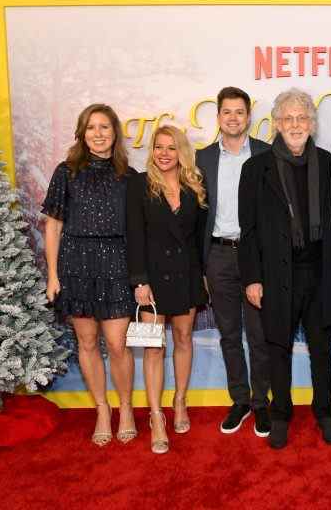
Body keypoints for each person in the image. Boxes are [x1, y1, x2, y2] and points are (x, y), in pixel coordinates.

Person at [238, 88, 331, 449]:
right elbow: (247, 229)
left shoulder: (328, 163)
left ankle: (325, 412)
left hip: (320, 270)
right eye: (288, 119)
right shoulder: (255, 168)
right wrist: (251, 277)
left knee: (322, 348)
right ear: (276, 124)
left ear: (311, 124)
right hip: (275, 275)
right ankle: (280, 413)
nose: (295, 125)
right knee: (277, 346)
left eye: (302, 118)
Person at [43, 103, 137, 447]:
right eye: (92, 127)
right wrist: (53, 275)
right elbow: (53, 226)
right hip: (76, 264)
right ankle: (102, 409)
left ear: (115, 132)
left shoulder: (129, 176)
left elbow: (139, 230)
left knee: (117, 344)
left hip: (117, 263)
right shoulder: (65, 172)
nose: (98, 134)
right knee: (86, 342)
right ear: (82, 133)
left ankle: (125, 407)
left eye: (105, 127)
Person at [126, 125, 208, 454]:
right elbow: (133, 235)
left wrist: (202, 275)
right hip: (154, 280)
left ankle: (180, 402)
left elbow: (199, 238)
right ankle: (156, 416)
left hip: (187, 275)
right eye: (158, 147)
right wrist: (140, 280)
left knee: (184, 340)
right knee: (154, 348)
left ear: (181, 153)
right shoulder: (139, 185)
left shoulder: (194, 186)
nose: (163, 153)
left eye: (171, 148)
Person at [196, 87, 272, 437]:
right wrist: (201, 265)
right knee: (229, 333)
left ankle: (261, 403)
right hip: (218, 254)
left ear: (248, 117)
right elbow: (196, 214)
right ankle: (239, 399)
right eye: (226, 112)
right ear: (218, 118)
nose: (233, 117)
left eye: (239, 112)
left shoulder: (268, 154)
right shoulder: (202, 159)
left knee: (259, 334)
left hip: (256, 254)